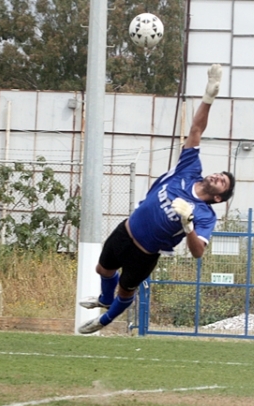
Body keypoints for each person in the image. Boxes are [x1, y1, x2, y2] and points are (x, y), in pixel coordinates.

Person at [78, 64, 235, 334]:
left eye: (222, 182)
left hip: (145, 253)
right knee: (102, 270)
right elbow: (196, 129)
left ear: (219, 197)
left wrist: (188, 226)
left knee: (126, 290)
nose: (217, 176)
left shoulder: (206, 215)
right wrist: (209, 96)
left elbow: (198, 252)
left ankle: (104, 320)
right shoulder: (189, 169)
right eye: (219, 174)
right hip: (126, 231)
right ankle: (104, 300)